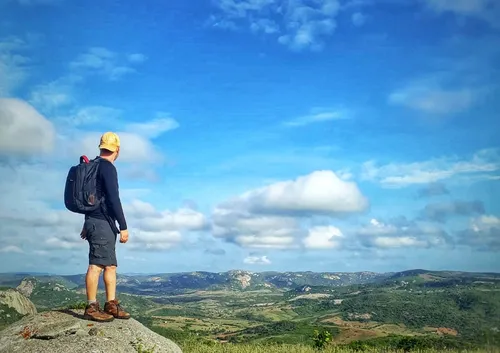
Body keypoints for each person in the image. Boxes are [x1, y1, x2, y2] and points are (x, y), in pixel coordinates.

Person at [79, 132, 131, 322]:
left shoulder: (91, 166)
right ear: (117, 149)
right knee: (97, 265)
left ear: (101, 147)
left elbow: (90, 199)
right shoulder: (107, 168)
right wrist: (123, 226)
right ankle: (92, 307)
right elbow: (112, 198)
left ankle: (111, 304)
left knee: (110, 265)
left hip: (97, 221)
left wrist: (87, 222)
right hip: (102, 222)